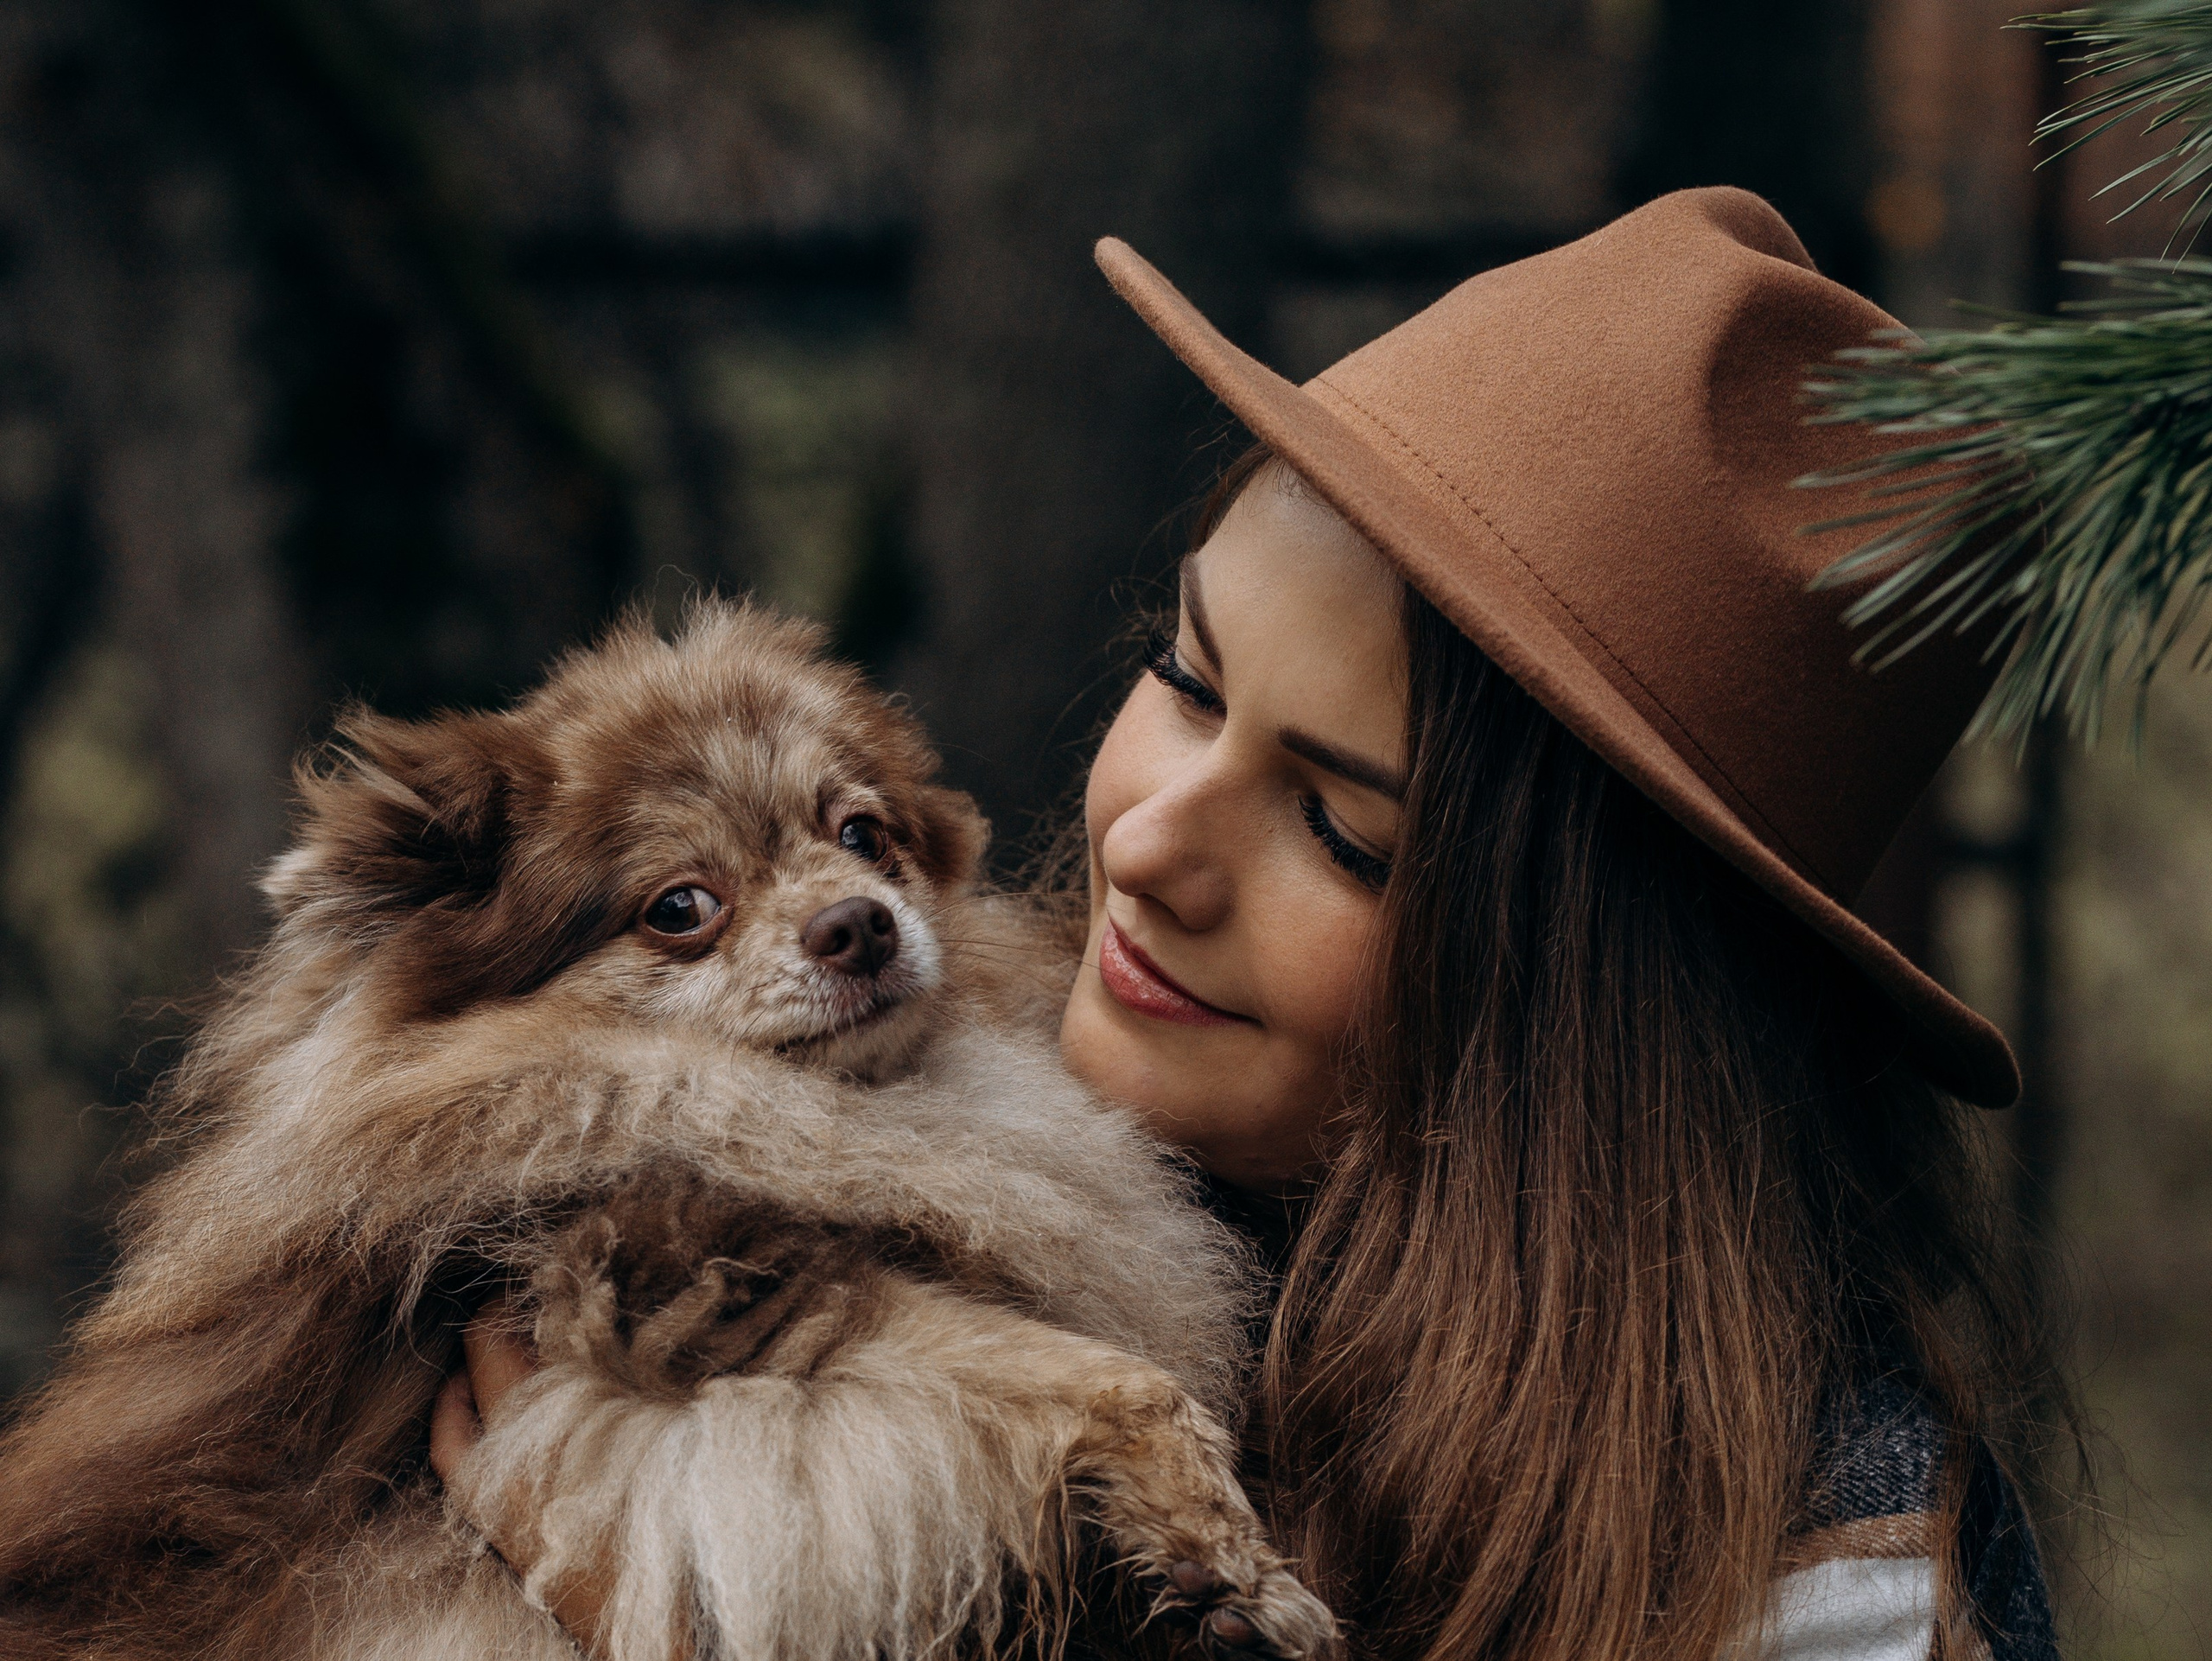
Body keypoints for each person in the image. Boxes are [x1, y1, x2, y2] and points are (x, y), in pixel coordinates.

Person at [430, 188, 2069, 1661]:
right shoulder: (814, 1136)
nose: (1148, 843)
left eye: (1342, 829)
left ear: (1604, 1017)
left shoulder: (1815, 1565)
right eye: (1188, 677)